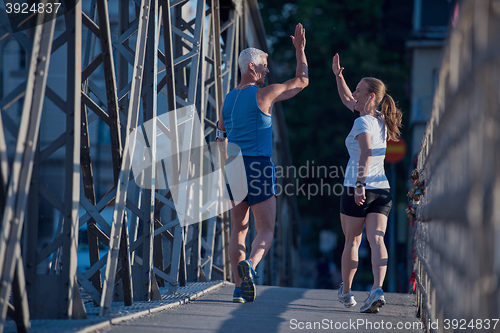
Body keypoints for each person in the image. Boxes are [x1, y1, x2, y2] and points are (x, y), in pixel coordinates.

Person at [216, 23, 308, 303]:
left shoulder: (228, 99)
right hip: (257, 165)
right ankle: (251, 267)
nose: (268, 71)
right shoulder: (264, 94)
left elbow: (220, 137)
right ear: (252, 67)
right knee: (266, 229)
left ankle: (237, 289)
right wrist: (300, 50)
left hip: (233, 167)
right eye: (265, 66)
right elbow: (302, 81)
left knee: (238, 230)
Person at [332, 53, 402, 313]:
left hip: (357, 186)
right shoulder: (382, 121)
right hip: (382, 190)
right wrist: (339, 76)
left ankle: (347, 293)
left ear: (370, 97)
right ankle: (376, 289)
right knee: (377, 239)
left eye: (359, 90)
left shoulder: (362, 122)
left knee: (353, 241)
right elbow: (347, 99)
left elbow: (366, 152)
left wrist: (360, 183)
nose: (354, 93)